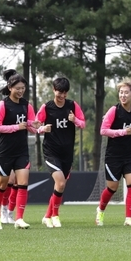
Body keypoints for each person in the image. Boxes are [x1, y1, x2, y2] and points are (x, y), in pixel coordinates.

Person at [0, 70, 40, 230]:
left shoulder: (27, 105)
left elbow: (31, 126)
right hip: (4, 151)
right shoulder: (2, 105)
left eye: (23, 88)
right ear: (10, 87)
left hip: (21, 151)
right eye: (18, 88)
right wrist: (16, 127)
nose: (21, 91)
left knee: (23, 183)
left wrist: (39, 127)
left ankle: (19, 219)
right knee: (2, 185)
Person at [36, 77, 86, 228]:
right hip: (51, 151)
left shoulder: (72, 106)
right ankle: (55, 216)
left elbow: (83, 124)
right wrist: (42, 129)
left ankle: (46, 216)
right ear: (53, 90)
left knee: (59, 186)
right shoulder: (46, 107)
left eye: (64, 93)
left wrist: (75, 120)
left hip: (67, 153)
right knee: (61, 182)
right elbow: (35, 126)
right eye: (59, 93)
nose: (62, 96)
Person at [96, 79, 131, 227]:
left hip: (130, 155)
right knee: (112, 187)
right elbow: (103, 130)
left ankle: (128, 218)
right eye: (121, 92)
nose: (123, 95)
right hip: (113, 156)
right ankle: (100, 210)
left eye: (126, 92)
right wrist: (123, 132)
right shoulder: (114, 110)